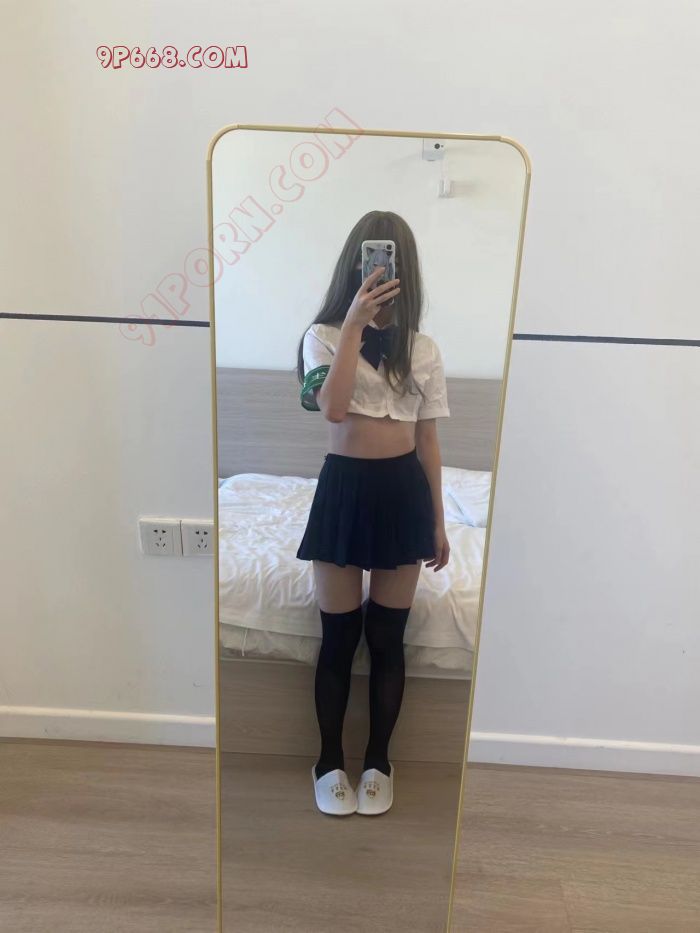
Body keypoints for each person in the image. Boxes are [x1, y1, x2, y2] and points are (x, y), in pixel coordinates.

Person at [296, 210, 451, 817]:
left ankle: (379, 761)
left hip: (402, 493)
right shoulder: (322, 336)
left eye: (389, 260)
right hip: (344, 490)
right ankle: (328, 760)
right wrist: (355, 327)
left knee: (388, 638)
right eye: (371, 259)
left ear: (403, 268)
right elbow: (332, 410)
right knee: (339, 636)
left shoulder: (424, 349)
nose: (380, 270)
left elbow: (429, 440)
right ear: (355, 266)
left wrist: (437, 522)